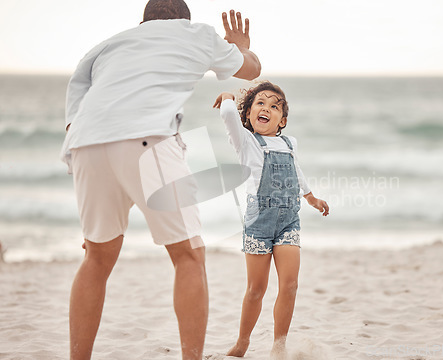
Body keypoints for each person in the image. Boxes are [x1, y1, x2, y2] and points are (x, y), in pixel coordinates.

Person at [61, 0, 261, 359]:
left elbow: (76, 101)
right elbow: (251, 70)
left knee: (96, 257)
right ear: (184, 21)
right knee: (188, 256)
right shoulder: (196, 33)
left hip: (86, 144)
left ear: (143, 22)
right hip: (148, 139)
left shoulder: (108, 44)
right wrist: (239, 46)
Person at [213, 81, 329, 358]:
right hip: (258, 224)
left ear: (283, 120)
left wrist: (310, 196)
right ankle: (242, 342)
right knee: (256, 289)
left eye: (274, 106)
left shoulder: (291, 143)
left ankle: (279, 345)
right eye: (260, 104)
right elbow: (228, 115)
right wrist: (228, 96)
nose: (266, 108)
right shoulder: (246, 142)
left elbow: (296, 169)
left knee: (290, 285)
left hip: (289, 220)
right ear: (249, 115)